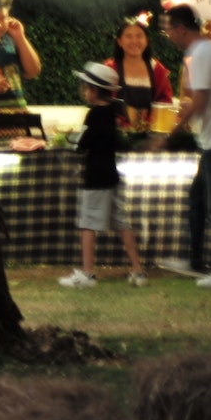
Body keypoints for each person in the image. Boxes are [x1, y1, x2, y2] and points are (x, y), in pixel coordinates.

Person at [158, 5, 211, 288]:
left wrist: (172, 131)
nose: (168, 35)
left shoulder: (201, 53)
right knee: (199, 199)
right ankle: (194, 260)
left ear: (181, 28)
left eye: (168, 29)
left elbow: (200, 99)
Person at [59, 62, 148, 289]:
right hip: (112, 173)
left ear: (94, 90)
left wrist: (73, 140)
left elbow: (83, 144)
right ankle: (138, 270)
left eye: (86, 86)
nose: (83, 90)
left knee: (88, 224)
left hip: (96, 175)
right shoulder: (115, 112)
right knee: (121, 222)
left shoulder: (95, 114)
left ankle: (88, 274)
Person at [104, 17, 172, 129]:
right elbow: (102, 99)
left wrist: (150, 123)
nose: (134, 41)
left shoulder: (156, 68)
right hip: (116, 133)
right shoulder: (110, 68)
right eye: (129, 36)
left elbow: (165, 100)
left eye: (139, 36)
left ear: (147, 40)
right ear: (119, 41)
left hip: (150, 132)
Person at [0, 0, 42, 109]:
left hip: (17, 113)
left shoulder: (11, 40)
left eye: (3, 18)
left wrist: (20, 37)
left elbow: (33, 71)